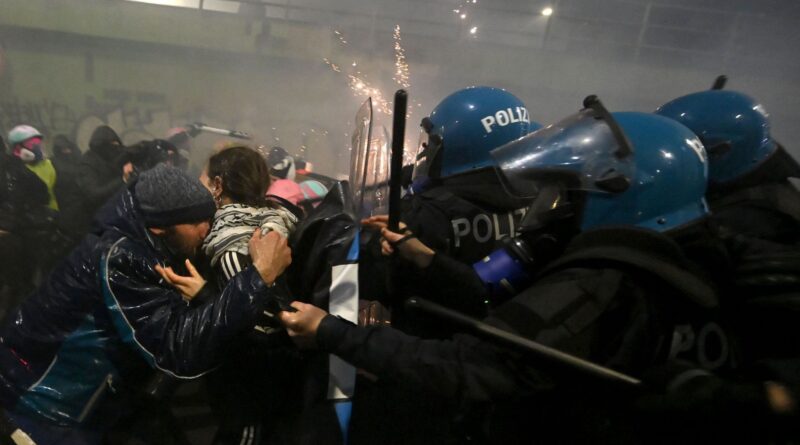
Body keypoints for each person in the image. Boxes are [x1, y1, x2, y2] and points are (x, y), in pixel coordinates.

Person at [279, 106, 736, 442]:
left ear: (625, 194)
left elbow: (467, 366)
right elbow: (484, 297)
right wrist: (427, 260)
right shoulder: (681, 265)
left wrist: (331, 331)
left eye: (570, 194)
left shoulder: (598, 284)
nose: (555, 208)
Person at [0, 164, 292, 445]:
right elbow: (178, 349)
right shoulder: (120, 257)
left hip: (73, 408)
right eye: (194, 222)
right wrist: (258, 276)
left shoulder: (140, 244)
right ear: (159, 227)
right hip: (41, 410)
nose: (206, 229)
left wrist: (204, 295)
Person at [0, 125, 60, 301]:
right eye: (31, 143)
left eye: (37, 143)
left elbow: (43, 193)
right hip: (18, 233)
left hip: (23, 233)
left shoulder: (21, 169)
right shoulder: (14, 170)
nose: (36, 147)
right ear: (17, 147)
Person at [76, 125, 134, 232]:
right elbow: (94, 194)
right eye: (112, 146)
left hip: (122, 214)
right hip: (99, 220)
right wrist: (122, 180)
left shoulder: (119, 156)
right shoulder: (88, 163)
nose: (115, 149)